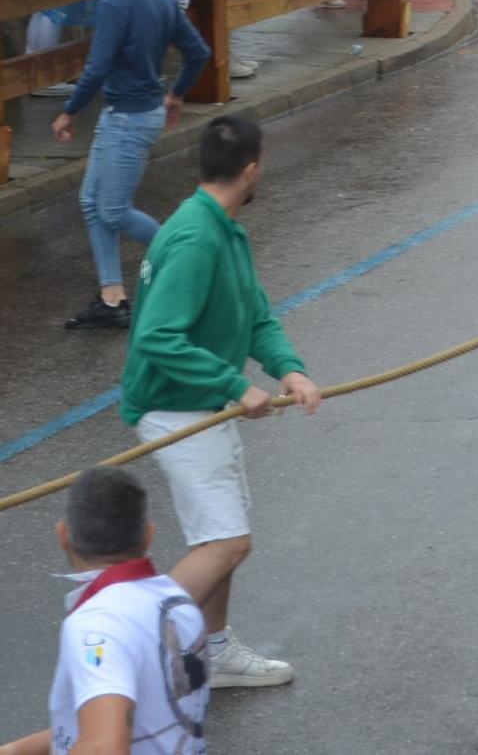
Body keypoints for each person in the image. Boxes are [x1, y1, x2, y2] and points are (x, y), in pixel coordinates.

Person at [121, 114, 322, 687]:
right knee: (227, 542)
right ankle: (121, 647)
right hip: (174, 407)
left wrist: (290, 370)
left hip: (202, 402)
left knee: (222, 536)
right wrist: (235, 384)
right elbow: (157, 336)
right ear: (252, 169)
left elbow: (255, 314)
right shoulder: (194, 237)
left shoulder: (226, 230)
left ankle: (213, 651)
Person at [49, 0, 211, 329]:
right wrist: (176, 94)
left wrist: (69, 110)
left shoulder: (114, 4)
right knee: (92, 202)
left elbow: (97, 68)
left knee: (114, 210)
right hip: (137, 113)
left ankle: (187, 260)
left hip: (127, 118)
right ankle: (112, 296)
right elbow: (198, 52)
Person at [0, 467, 210, 755]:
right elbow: (141, 724)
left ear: (63, 535)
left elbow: (104, 747)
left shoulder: (97, 626)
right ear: (148, 535)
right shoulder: (177, 602)